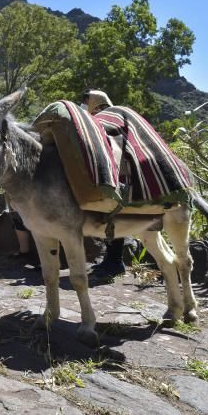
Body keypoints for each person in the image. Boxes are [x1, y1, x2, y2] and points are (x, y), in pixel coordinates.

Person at [82, 89, 127, 279]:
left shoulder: (109, 119)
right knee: (109, 219)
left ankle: (116, 262)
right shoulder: (110, 117)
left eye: (87, 102)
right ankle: (111, 259)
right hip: (114, 175)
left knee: (113, 217)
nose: (86, 106)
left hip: (118, 176)